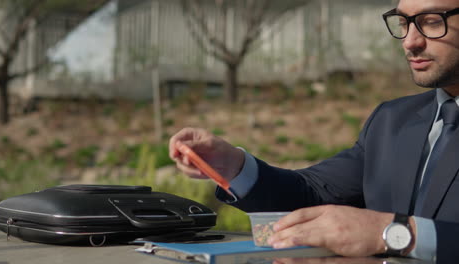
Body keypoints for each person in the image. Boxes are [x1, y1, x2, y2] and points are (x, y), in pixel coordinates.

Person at [169, 0, 459, 262]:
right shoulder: (391, 120)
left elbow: (384, 232)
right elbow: (313, 194)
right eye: (403, 23)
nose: (410, 42)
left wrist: (392, 234)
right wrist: (235, 167)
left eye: (431, 22)